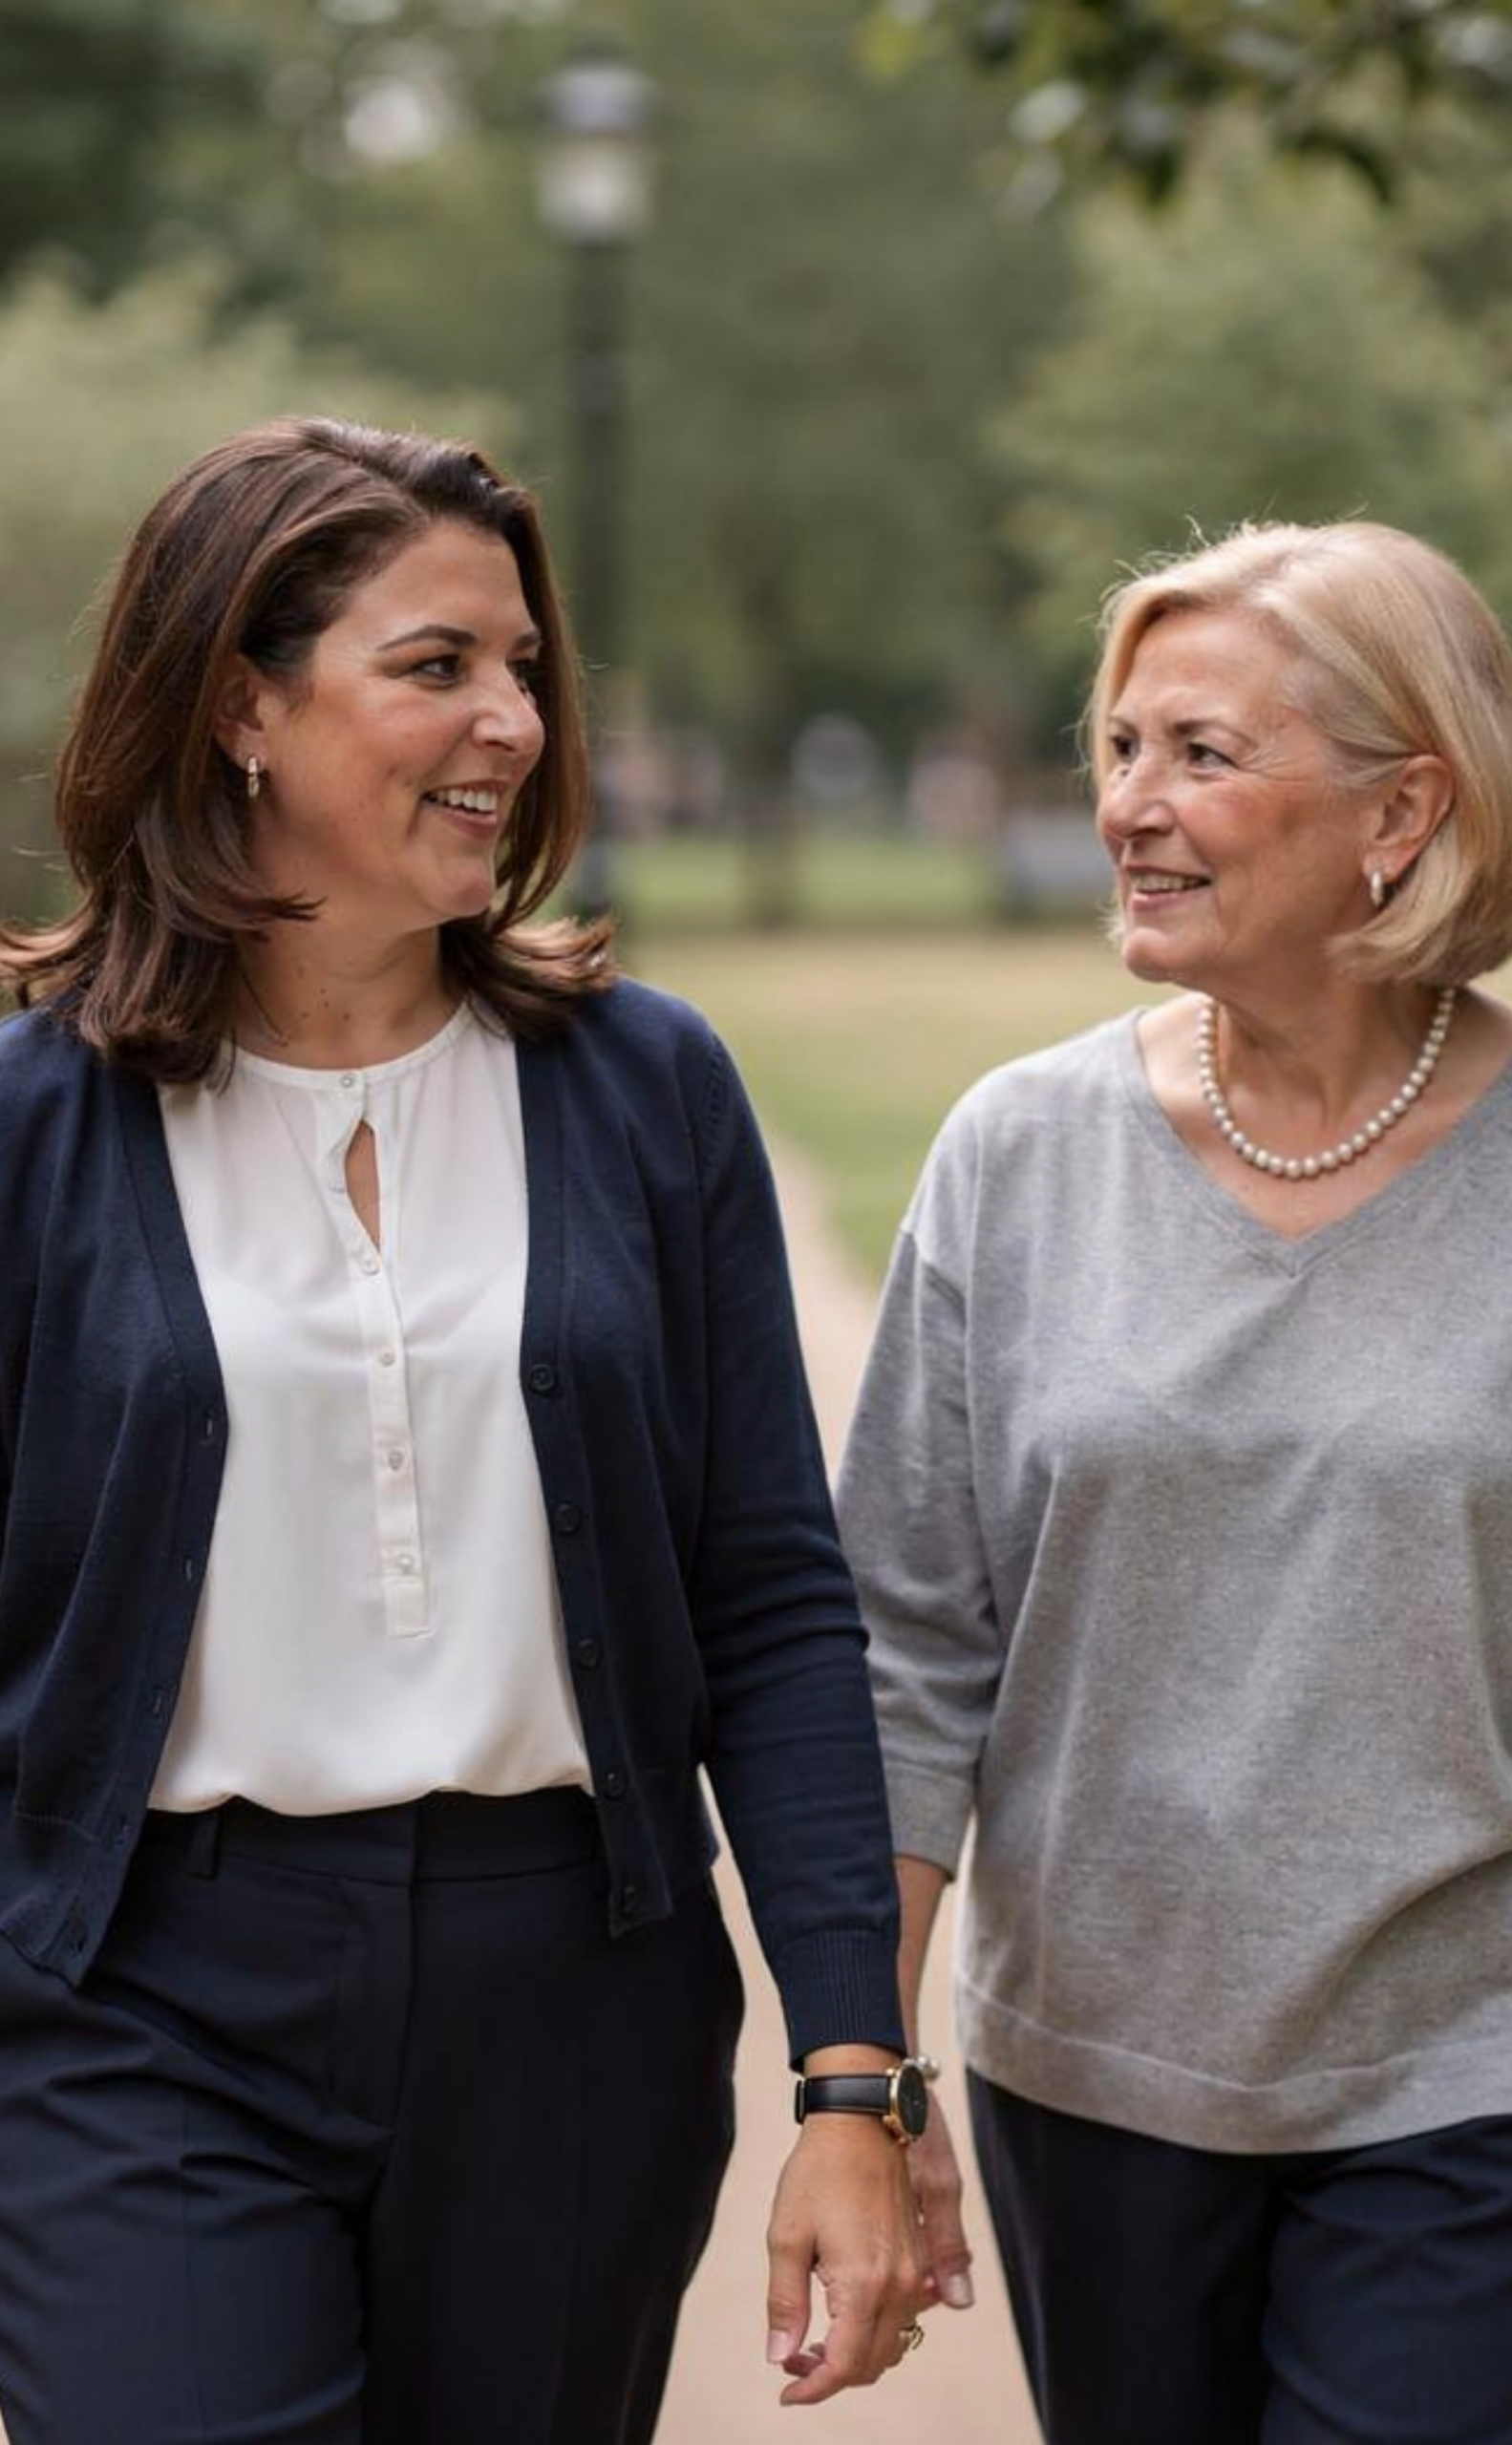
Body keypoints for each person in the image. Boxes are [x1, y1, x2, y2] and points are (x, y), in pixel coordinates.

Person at [0, 416, 931, 2445]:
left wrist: (854, 2072)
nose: (511, 719)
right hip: (141, 1996)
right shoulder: (33, 1125)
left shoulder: (643, 1084)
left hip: (570, 1992)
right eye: (436, 666)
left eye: (523, 668)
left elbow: (768, 1596)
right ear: (241, 702)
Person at [836, 518, 1512, 2445]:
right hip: (1096, 2068)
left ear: (1405, 807)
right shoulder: (1016, 1154)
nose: (1131, 803)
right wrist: (864, 2081)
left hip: (1494, 2067)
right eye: (1118, 746)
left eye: (1201, 752)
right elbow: (907, 1657)